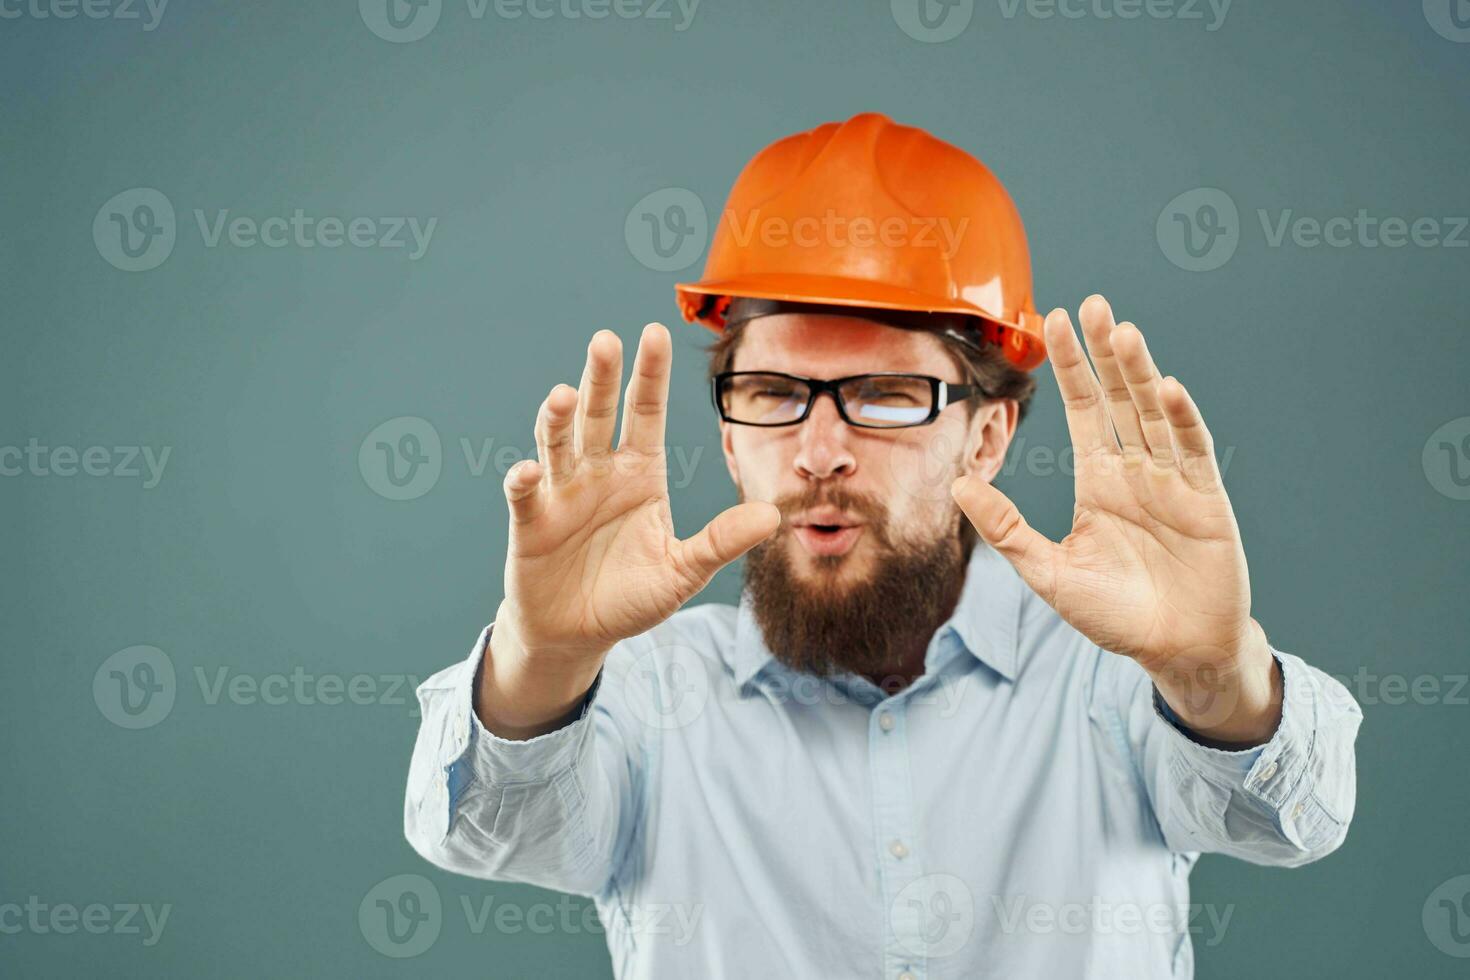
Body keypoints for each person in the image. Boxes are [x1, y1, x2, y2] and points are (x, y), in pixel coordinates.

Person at [403, 113, 1361, 978]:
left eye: (885, 396)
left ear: (985, 434)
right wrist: (544, 662)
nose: (821, 454)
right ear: (731, 437)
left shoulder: (1117, 677)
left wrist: (1212, 677)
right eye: (775, 394)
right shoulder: (641, 698)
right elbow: (482, 832)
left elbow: (1291, 823)